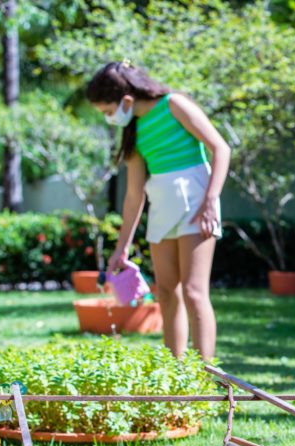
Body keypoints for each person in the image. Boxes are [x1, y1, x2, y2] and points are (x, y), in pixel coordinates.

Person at [86, 61, 231, 360]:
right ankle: (175, 375)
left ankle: (204, 377)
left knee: (193, 292)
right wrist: (121, 249)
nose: (109, 118)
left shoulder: (174, 104)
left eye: (107, 111)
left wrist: (209, 201)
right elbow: (134, 194)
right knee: (165, 292)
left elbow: (221, 148)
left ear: (126, 99)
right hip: (163, 207)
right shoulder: (134, 131)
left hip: (196, 201)